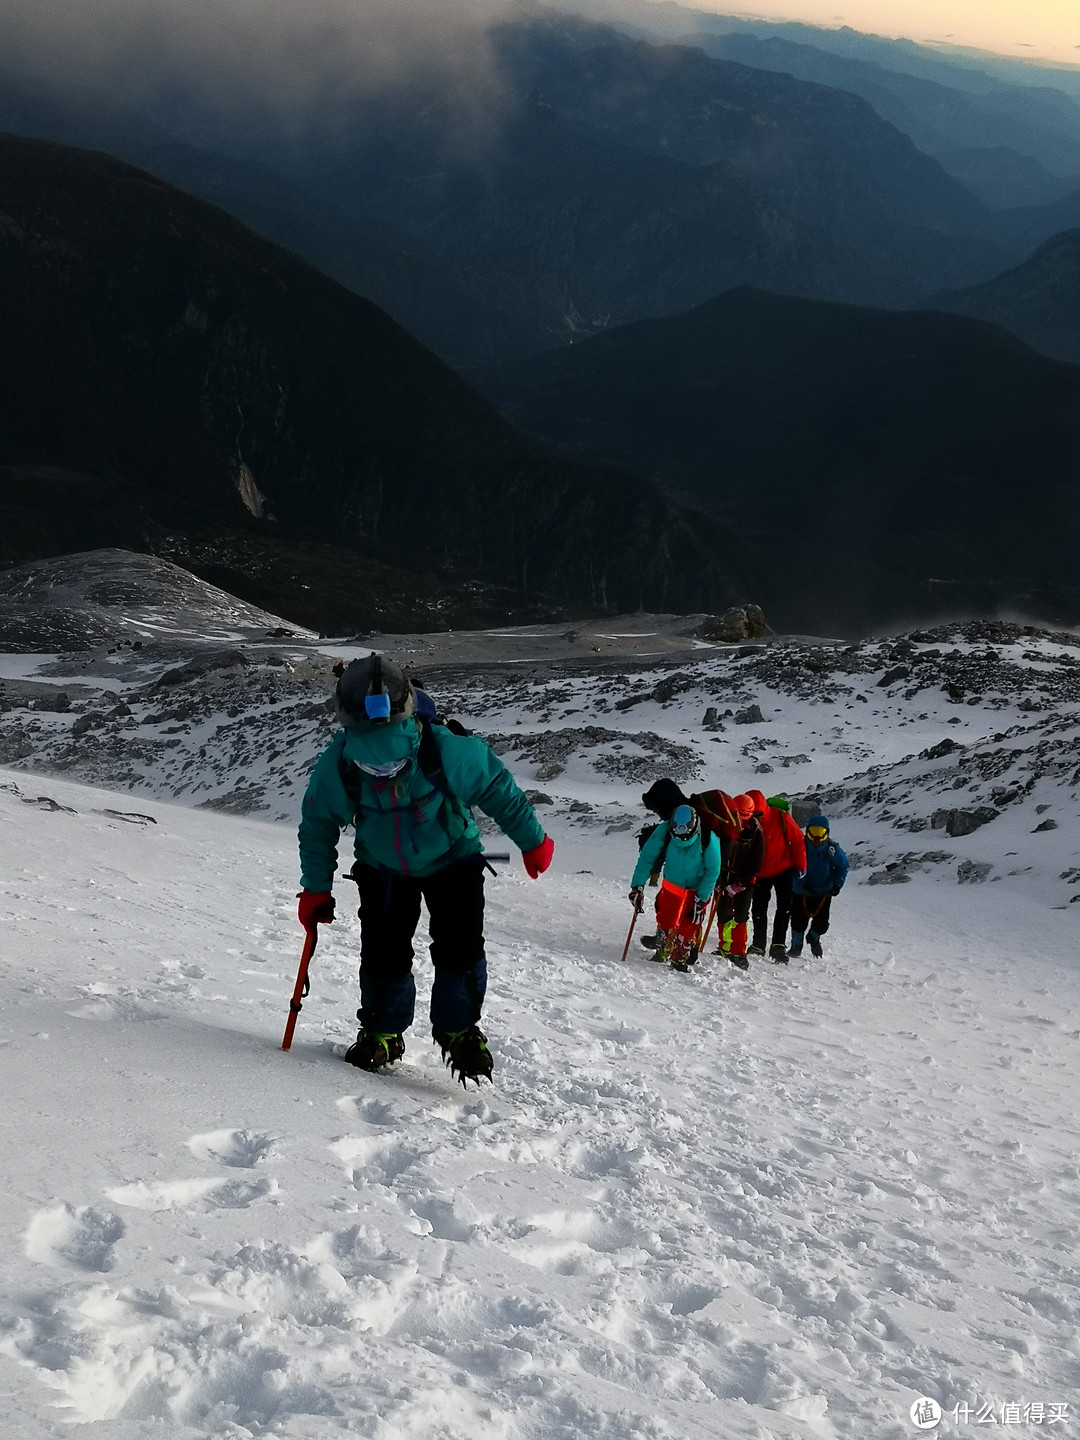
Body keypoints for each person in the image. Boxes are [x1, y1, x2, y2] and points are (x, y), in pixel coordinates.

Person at [297, 654, 554, 1084]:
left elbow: (318, 823)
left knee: (404, 950)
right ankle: (444, 1031)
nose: (382, 769)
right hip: (409, 863)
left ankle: (397, 1030)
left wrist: (316, 888)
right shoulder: (442, 750)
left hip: (436, 860)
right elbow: (498, 788)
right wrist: (532, 843)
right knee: (441, 949)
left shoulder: (351, 759)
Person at [629, 803, 720, 972]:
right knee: (666, 919)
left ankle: (680, 958)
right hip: (672, 884)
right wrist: (637, 886)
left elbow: (713, 870)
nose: (680, 839)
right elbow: (647, 857)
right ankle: (663, 951)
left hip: (697, 889)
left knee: (689, 923)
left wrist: (701, 898)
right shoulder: (664, 831)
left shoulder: (707, 836)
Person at [747, 793, 807, 963]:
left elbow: (797, 841)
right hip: (760, 873)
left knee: (784, 908)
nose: (754, 819)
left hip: (783, 869)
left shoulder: (780, 817)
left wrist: (801, 865)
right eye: (752, 815)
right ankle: (758, 944)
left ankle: (778, 946)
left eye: (757, 815)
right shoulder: (747, 821)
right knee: (758, 909)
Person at [714, 793, 764, 969]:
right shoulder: (722, 826)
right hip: (723, 876)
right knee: (722, 913)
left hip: (744, 881)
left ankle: (739, 952)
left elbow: (756, 861)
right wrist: (717, 878)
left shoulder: (756, 832)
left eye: (746, 815)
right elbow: (715, 852)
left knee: (741, 915)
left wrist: (740, 883)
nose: (742, 819)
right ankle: (724, 947)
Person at [790, 814, 849, 958]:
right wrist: (800, 883)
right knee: (798, 922)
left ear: (826, 833)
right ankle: (796, 946)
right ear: (807, 831)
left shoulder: (832, 850)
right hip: (801, 892)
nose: (816, 838)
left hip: (824, 893)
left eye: (820, 833)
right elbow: (791, 867)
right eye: (813, 832)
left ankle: (813, 938)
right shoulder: (800, 846)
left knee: (822, 923)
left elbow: (843, 867)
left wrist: (837, 884)